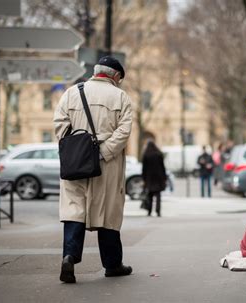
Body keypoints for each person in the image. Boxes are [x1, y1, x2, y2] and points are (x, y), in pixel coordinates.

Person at [53, 56, 133, 283]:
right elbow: (124, 132)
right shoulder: (120, 96)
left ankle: (69, 256)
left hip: (75, 162)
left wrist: (79, 149)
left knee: (74, 209)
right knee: (107, 212)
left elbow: (59, 124)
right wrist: (103, 152)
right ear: (116, 76)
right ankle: (112, 264)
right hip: (107, 165)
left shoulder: (72, 92)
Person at [141, 140, 167, 217]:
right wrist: (164, 177)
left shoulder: (146, 155)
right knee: (158, 195)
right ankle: (158, 211)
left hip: (149, 177)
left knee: (150, 195)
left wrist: (144, 179)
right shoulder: (159, 154)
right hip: (158, 177)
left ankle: (149, 211)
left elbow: (144, 168)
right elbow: (163, 167)